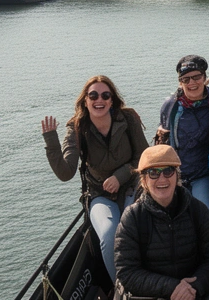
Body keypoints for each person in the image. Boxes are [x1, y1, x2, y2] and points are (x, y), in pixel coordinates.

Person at [43, 75, 150, 281]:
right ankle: (122, 286)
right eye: (93, 95)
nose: (98, 100)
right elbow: (66, 173)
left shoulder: (127, 119)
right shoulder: (76, 128)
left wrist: (120, 176)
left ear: (112, 100)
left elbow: (143, 157)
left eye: (105, 95)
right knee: (110, 236)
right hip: (100, 194)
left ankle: (147, 277)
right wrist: (51, 142)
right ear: (85, 100)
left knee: (135, 225)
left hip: (131, 185)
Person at [113, 145, 209, 300]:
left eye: (168, 171)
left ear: (177, 176)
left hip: (193, 293)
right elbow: (127, 272)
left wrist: (194, 287)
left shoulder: (198, 211)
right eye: (153, 173)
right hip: (153, 295)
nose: (162, 178)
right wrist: (172, 288)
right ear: (144, 180)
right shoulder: (133, 217)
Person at [157, 55, 209, 212]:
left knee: (205, 213)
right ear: (180, 82)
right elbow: (163, 142)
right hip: (175, 175)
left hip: (204, 173)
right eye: (186, 79)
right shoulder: (170, 106)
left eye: (197, 77)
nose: (192, 83)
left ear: (204, 77)